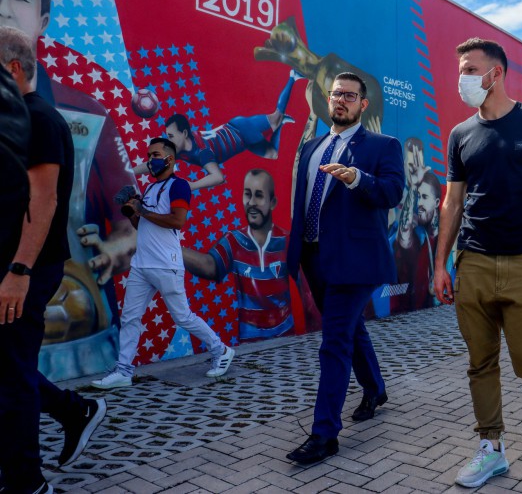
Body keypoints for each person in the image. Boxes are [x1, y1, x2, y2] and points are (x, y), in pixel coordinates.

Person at [433, 38, 522, 489]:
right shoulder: (460, 134)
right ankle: (491, 447)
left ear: (496, 72)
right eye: (460, 69)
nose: (463, 78)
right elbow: (452, 203)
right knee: (480, 361)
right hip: (471, 258)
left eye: (470, 68)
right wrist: (441, 264)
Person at [1, 0, 138, 379]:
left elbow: (131, 211)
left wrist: (120, 243)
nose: (3, 7)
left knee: (18, 390)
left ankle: (72, 414)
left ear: (43, 21)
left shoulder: (85, 113)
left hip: (79, 342)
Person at [0, 27, 106, 494]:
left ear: (13, 69)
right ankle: (72, 410)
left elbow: (42, 202)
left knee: (11, 374)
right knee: (6, 367)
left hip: (24, 269)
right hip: (8, 267)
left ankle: (26, 482)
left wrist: (19, 271)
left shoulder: (38, 119)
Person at [285, 72, 404, 464]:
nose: (341, 100)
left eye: (350, 96)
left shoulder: (382, 146)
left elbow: (392, 192)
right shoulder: (313, 146)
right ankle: (375, 388)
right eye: (337, 94)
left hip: (356, 261)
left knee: (333, 341)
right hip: (314, 257)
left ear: (362, 105)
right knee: (351, 328)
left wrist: (358, 179)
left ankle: (325, 435)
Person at [91, 138, 235, 389]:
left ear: (169, 158)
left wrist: (143, 211)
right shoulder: (150, 188)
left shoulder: (179, 186)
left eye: (155, 154)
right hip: (142, 264)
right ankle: (124, 371)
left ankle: (221, 350)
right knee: (130, 317)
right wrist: (134, 212)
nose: (150, 160)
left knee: (183, 317)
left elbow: (178, 221)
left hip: (166, 264)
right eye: (148, 155)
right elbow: (143, 226)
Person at [183, 169, 295, 339]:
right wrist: (166, 246)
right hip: (249, 340)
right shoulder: (234, 241)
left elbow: (307, 293)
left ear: (272, 202)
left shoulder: (286, 241)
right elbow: (209, 266)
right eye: (247, 194)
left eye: (259, 195)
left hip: (288, 337)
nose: (251, 202)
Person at [151, 70, 301, 191]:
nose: (169, 141)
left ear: (183, 134)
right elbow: (154, 163)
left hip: (241, 130)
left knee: (275, 117)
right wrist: (133, 170)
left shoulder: (202, 152)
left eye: (171, 135)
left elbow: (218, 177)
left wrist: (192, 185)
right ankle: (281, 122)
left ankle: (292, 77)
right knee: (273, 153)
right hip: (240, 137)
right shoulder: (180, 149)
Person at [392, 138, 441, 312]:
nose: (419, 203)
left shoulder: (438, 232)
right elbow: (404, 230)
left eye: (424, 197)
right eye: (418, 197)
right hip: (404, 311)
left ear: (436, 202)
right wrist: (413, 187)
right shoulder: (414, 232)